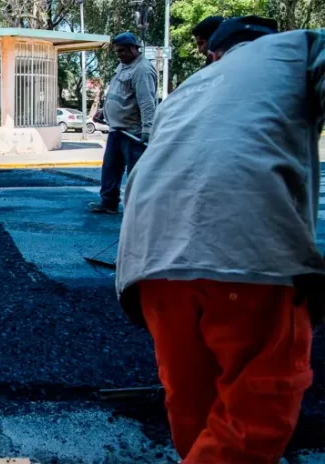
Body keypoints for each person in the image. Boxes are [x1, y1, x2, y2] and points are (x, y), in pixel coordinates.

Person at [115, 16, 324, 462]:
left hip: (150, 263)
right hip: (250, 256)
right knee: (255, 411)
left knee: (192, 403)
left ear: (214, 53)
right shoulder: (300, 48)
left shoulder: (187, 89)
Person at [88, 32, 157, 214]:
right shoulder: (123, 66)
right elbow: (118, 92)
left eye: (122, 51)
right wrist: (104, 111)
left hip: (133, 132)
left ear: (134, 48)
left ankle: (138, 209)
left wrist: (147, 129)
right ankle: (109, 203)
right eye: (117, 52)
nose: (119, 55)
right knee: (110, 168)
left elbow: (147, 102)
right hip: (117, 129)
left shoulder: (142, 70)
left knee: (136, 173)